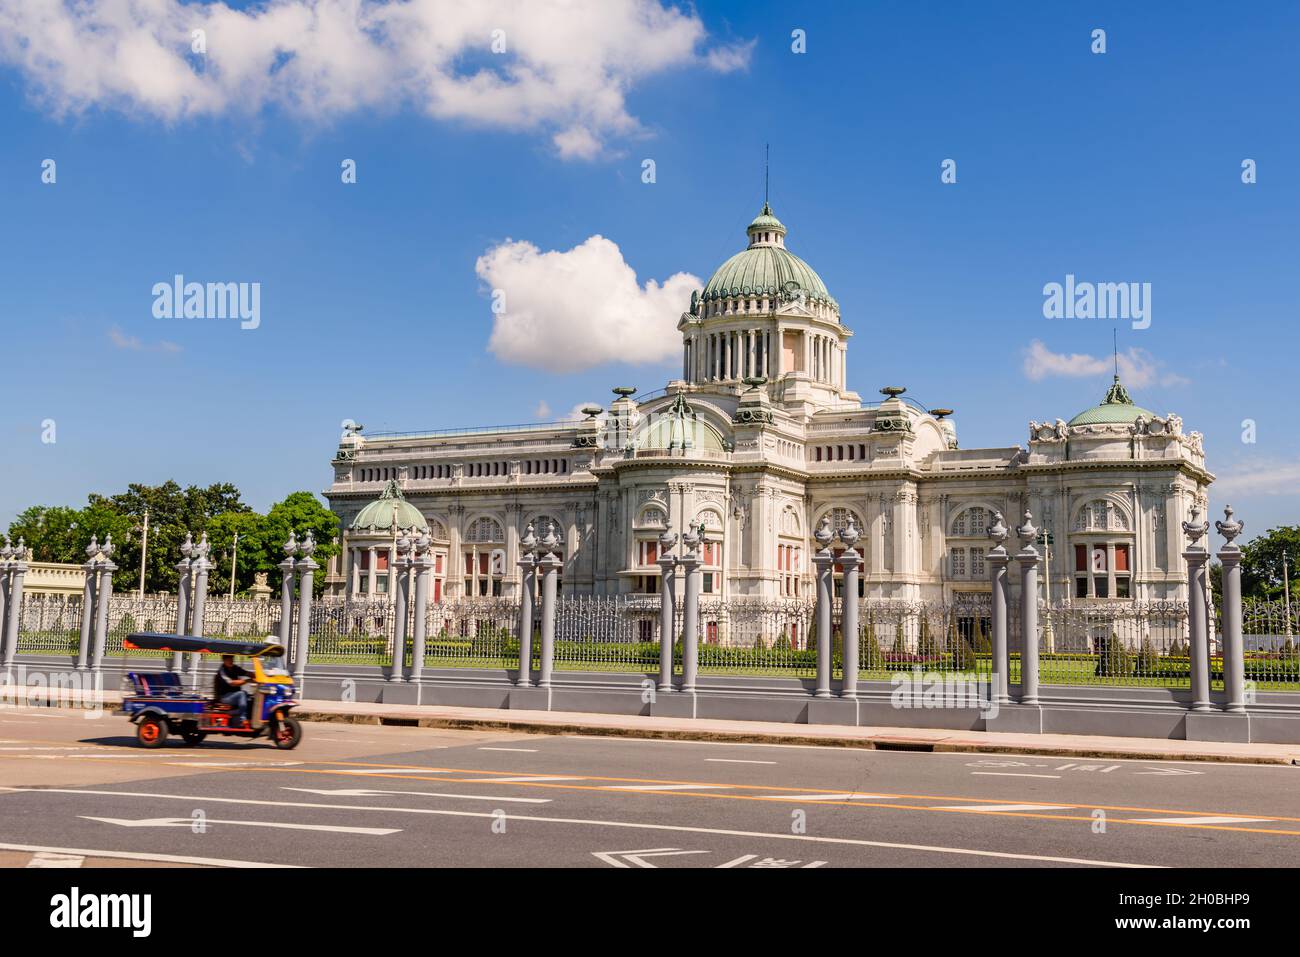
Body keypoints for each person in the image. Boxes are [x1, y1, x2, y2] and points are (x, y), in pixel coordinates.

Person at [214, 654, 253, 722]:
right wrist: (247, 680)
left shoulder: (234, 668)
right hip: (225, 697)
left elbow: (246, 673)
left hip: (234, 695)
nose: (231, 661)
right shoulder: (222, 671)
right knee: (242, 694)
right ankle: (242, 719)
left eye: (231, 659)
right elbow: (232, 683)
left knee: (251, 698)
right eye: (228, 660)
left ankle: (250, 718)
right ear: (224, 660)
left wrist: (258, 675)